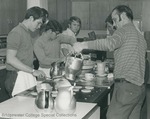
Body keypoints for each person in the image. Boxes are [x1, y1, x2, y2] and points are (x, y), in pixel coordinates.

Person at [73, 5, 147, 119]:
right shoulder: (140, 36)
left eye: (115, 20)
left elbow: (109, 44)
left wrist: (83, 45)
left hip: (126, 88)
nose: (114, 25)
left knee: (112, 116)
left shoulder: (124, 30)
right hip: (139, 89)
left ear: (123, 16)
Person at [5, 7, 46, 97]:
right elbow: (10, 59)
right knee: (19, 108)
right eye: (38, 23)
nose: (39, 26)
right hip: (16, 76)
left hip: (24, 74)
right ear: (31, 18)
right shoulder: (16, 32)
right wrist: (32, 71)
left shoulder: (27, 32)